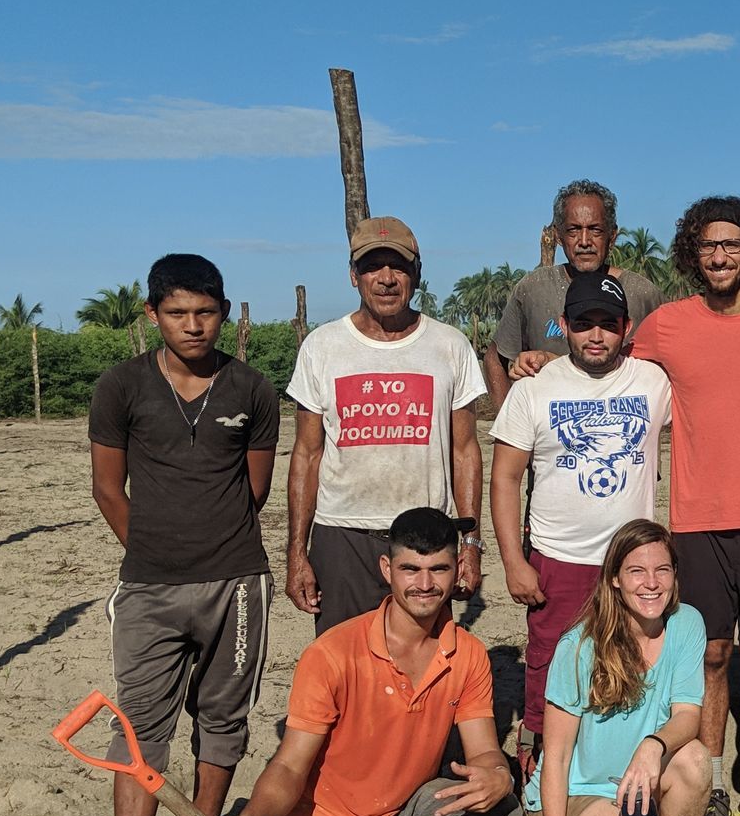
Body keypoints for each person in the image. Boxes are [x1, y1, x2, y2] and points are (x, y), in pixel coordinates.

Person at [518, 196, 740, 816]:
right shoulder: (667, 324)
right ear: (693, 253)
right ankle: (712, 783)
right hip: (694, 521)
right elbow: (600, 359)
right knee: (713, 655)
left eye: (732, 246)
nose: (720, 256)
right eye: (709, 246)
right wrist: (542, 364)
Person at [54, 255, 278, 816]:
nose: (193, 325)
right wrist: (154, 552)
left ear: (225, 313)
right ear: (152, 315)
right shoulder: (121, 386)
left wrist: (210, 552)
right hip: (149, 589)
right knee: (138, 731)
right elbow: (106, 488)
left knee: (222, 722)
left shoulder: (253, 388)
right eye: (178, 313)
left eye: (205, 313)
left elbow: (255, 490)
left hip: (237, 584)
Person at [199, 508, 521, 816]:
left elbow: (485, 749)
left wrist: (495, 774)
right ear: (387, 570)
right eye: (410, 568)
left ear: (459, 571)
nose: (424, 584)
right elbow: (289, 766)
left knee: (503, 812)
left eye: (438, 570)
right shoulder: (332, 654)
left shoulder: (466, 654)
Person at [490, 271, 670, 776]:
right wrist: (513, 563)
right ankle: (540, 756)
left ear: (626, 327)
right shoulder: (534, 390)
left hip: (632, 560)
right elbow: (504, 478)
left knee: (631, 659)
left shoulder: (652, 382)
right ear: (564, 325)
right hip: (558, 558)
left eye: (608, 325)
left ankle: (614, 759)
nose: (597, 336)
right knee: (550, 662)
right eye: (585, 323)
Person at [284, 215, 487, 634]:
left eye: (398, 266)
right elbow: (307, 453)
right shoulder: (323, 346)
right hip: (343, 534)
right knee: (345, 665)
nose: (387, 278)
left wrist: (470, 544)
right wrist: (297, 553)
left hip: (426, 535)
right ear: (353, 275)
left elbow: (465, 450)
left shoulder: (448, 345)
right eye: (373, 266)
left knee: (424, 661)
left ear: (416, 273)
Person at [525, 519, 720, 816]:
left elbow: (688, 715)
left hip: (635, 786)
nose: (651, 583)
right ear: (614, 579)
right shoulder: (580, 646)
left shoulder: (687, 624)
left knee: (696, 759)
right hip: (572, 797)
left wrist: (653, 746)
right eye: (636, 571)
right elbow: (556, 757)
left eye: (661, 570)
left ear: (674, 575)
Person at [480, 179, 664, 408]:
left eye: (595, 230)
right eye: (574, 230)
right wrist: (508, 421)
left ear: (612, 236)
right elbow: (494, 359)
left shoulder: (643, 294)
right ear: (558, 236)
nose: (584, 242)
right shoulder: (533, 289)